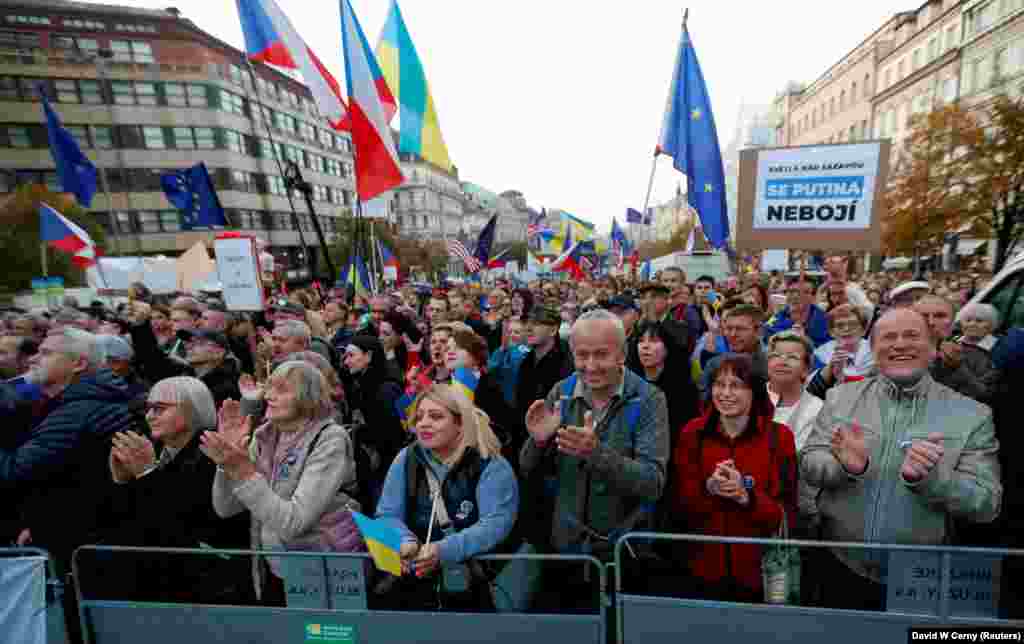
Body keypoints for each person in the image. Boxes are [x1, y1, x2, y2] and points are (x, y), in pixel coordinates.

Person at [800, 308, 1002, 611]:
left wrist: (933, 480)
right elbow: (810, 463)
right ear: (874, 348)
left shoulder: (972, 415)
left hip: (921, 579)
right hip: (839, 565)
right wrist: (844, 468)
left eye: (911, 335)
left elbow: (987, 505)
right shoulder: (840, 398)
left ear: (934, 348)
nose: (899, 344)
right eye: (888, 337)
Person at [520, 309, 668, 610]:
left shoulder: (649, 398)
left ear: (622, 354)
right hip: (566, 552)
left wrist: (596, 453)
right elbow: (526, 468)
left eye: (601, 354)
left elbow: (653, 482)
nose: (590, 366)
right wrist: (537, 442)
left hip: (623, 555)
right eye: (582, 355)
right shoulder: (560, 393)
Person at [205, 361, 363, 605]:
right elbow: (226, 508)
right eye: (269, 387)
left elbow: (293, 523)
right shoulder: (264, 436)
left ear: (308, 397)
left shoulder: (330, 439)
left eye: (281, 389)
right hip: (275, 569)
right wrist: (227, 461)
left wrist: (245, 472)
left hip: (325, 572)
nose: (268, 395)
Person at [103, 377, 251, 604]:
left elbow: (185, 523)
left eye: (160, 409)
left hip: (210, 586)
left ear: (193, 410)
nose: (149, 416)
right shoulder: (162, 451)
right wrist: (123, 481)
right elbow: (134, 520)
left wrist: (146, 474)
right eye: (149, 408)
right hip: (164, 580)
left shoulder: (214, 452)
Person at [375, 384, 518, 612]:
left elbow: (496, 524)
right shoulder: (406, 458)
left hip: (474, 586)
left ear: (460, 424)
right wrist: (404, 541)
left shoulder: (491, 464)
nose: (423, 423)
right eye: (419, 416)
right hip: (413, 583)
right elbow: (387, 514)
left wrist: (443, 550)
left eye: (436, 416)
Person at [671, 354, 797, 602]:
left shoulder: (779, 437)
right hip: (701, 573)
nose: (726, 393)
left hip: (759, 576)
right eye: (719, 384)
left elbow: (786, 513)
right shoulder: (692, 433)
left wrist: (746, 496)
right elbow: (679, 506)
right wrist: (709, 488)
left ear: (755, 391)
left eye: (737, 385)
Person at [765, 331, 824, 539]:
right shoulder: (748, 398)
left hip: (797, 510)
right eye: (776, 355)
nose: (782, 361)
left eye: (792, 357)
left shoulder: (820, 409)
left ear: (806, 369)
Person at [342, 336, 408, 510]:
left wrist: (360, 431)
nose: (346, 361)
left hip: (386, 470)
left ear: (369, 356)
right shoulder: (362, 384)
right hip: (370, 467)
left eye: (351, 355)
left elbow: (391, 435)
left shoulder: (385, 389)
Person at [626, 320, 699, 453]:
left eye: (653, 341)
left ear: (667, 348)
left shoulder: (684, 390)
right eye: (641, 341)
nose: (645, 346)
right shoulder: (628, 385)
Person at [513, 306, 574, 458]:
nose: (529, 328)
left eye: (536, 323)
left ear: (553, 330)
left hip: (558, 448)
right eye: (527, 323)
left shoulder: (568, 362)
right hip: (527, 442)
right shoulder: (526, 362)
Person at [914, 295, 996, 404]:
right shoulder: (893, 352)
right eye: (923, 315)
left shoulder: (978, 357)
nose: (931, 322)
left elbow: (984, 395)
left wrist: (958, 368)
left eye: (940, 316)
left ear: (953, 323)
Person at [808, 304, 875, 398]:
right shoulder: (820, 354)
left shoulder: (874, 352)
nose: (846, 329)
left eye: (853, 324)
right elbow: (810, 389)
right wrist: (830, 368)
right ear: (831, 332)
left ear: (863, 330)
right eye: (840, 325)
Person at [765, 279, 831, 348]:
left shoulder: (823, 319)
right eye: (791, 291)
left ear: (813, 297)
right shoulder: (777, 318)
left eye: (804, 292)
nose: (795, 296)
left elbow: (827, 349)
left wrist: (805, 339)